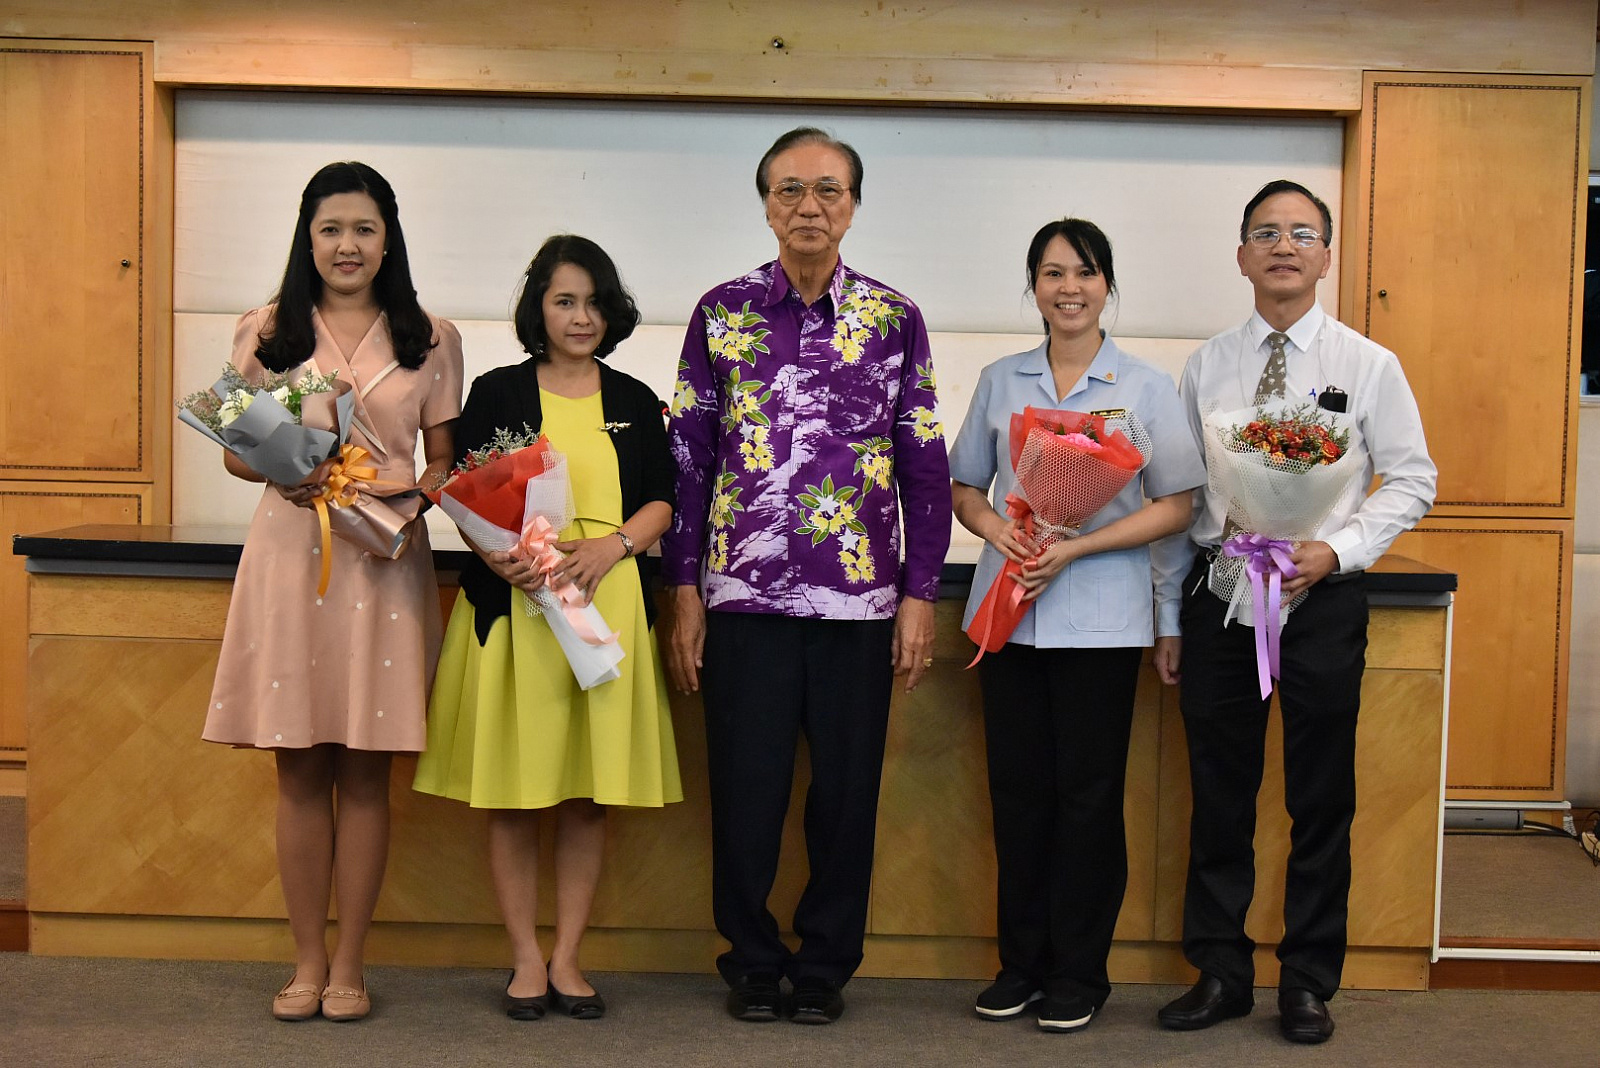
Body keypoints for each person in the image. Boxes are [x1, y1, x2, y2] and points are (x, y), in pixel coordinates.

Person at [661, 126, 952, 1025]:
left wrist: (920, 595)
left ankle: (825, 965)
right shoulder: (722, 312)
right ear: (766, 205)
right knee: (745, 790)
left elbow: (924, 465)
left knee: (846, 796)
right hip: (741, 598)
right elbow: (689, 458)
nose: (809, 206)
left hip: (858, 604)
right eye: (790, 189)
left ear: (853, 206)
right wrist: (683, 590)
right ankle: (751, 961)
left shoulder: (894, 318)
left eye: (829, 189)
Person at [1154, 180, 1436, 1044]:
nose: (1284, 246)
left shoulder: (1368, 364)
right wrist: (1169, 613)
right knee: (1219, 792)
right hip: (1221, 595)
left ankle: (1308, 980)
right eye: (1267, 233)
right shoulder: (1206, 366)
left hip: (1320, 600)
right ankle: (1220, 971)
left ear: (1326, 256)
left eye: (1303, 233)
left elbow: (1414, 478)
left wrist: (1338, 549)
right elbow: (1183, 497)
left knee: (1320, 797)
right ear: (1242, 256)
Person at [202, 161, 463, 1022]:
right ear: (307, 238)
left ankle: (351, 964)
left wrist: (414, 498)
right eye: (330, 229)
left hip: (384, 560)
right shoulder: (264, 330)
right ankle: (306, 962)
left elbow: (443, 459)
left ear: (388, 239)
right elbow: (235, 450)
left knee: (365, 775)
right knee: (300, 771)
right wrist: (287, 468)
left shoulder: (432, 336)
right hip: (291, 559)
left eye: (364, 229)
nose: (347, 245)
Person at [413, 234, 681, 1022]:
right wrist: (497, 557)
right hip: (519, 607)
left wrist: (612, 545)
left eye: (595, 302)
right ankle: (525, 959)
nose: (581, 316)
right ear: (539, 308)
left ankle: (567, 957)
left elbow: (664, 500)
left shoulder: (634, 398)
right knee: (514, 794)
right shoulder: (497, 392)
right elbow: (461, 492)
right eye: (565, 301)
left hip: (605, 603)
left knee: (587, 797)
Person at [948, 218, 1205, 1033]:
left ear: (1107, 286)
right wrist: (1000, 530)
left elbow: (1178, 505)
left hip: (1101, 620)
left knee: (1088, 800)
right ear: (1033, 286)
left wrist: (1078, 546)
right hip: (1007, 614)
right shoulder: (1001, 380)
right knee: (1018, 796)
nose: (1070, 288)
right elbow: (964, 488)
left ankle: (1080, 974)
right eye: (1053, 273)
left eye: (1085, 272)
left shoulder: (1146, 387)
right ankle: (1020, 966)